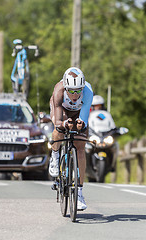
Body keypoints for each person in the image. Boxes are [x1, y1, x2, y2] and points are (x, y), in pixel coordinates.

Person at [49, 67, 93, 210]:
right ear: (66, 87)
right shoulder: (59, 91)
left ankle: (79, 193)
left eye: (78, 90)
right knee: (59, 131)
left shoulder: (88, 93)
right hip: (62, 110)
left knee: (80, 145)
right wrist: (62, 123)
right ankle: (55, 156)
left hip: (78, 111)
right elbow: (57, 119)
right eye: (72, 90)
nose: (75, 94)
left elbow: (84, 119)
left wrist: (81, 124)